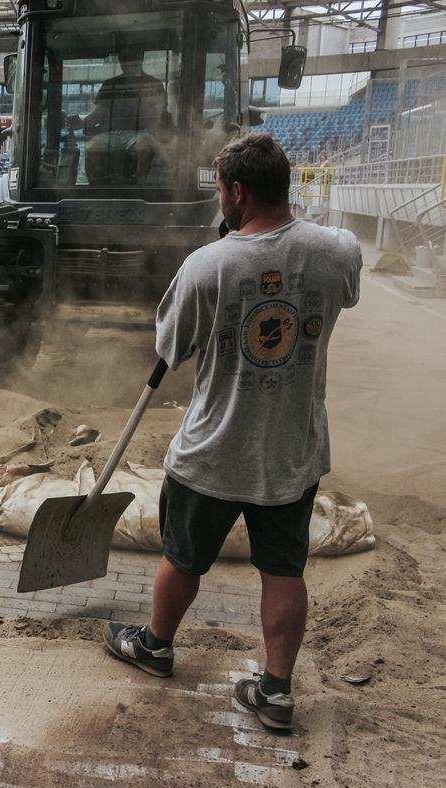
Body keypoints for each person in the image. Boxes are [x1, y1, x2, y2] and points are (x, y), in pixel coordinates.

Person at [102, 133, 361, 732]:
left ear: (237, 191)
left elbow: (172, 346)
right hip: (293, 452)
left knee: (183, 557)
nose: (220, 200)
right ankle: (274, 692)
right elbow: (344, 272)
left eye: (221, 190)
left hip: (214, 450)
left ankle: (156, 646)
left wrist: (219, 272)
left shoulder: (208, 264)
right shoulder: (337, 251)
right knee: (283, 569)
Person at [81, 43, 169, 184]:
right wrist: (80, 123)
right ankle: (97, 190)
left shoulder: (154, 84)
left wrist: (160, 132)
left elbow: (160, 114)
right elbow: (97, 114)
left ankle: (141, 188)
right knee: (92, 148)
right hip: (110, 133)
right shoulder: (110, 84)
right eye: (124, 62)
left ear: (140, 60)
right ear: (121, 62)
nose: (128, 65)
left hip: (142, 132)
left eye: (131, 61)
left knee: (146, 147)